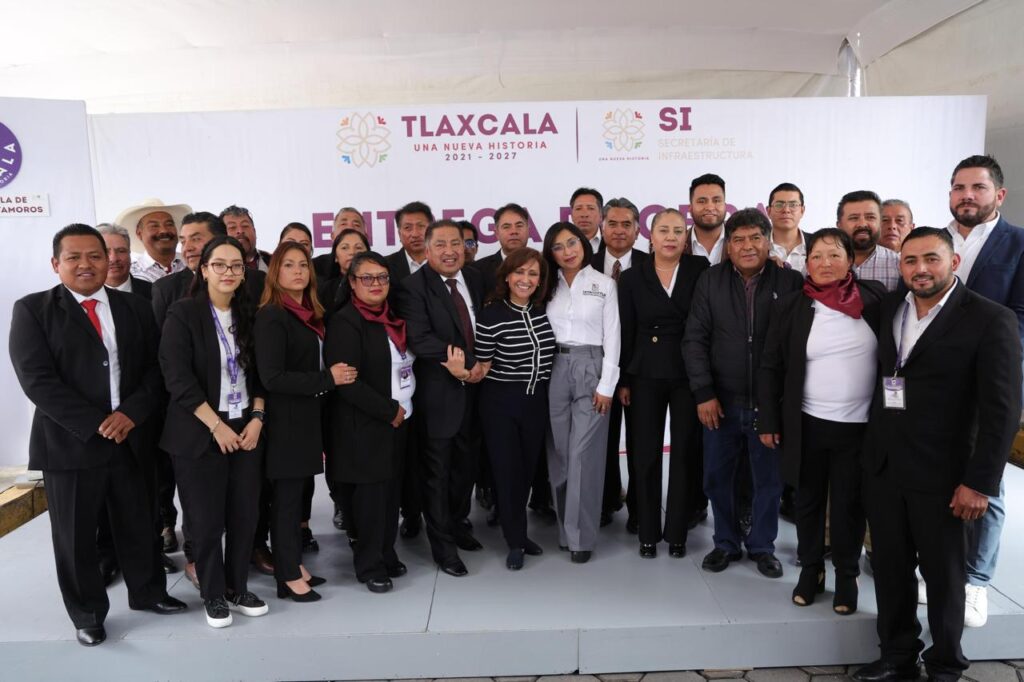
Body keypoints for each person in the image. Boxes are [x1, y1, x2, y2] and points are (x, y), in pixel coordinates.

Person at [852, 228, 1021, 682]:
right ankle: (897, 655)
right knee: (890, 570)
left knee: (945, 578)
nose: (920, 269)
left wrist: (980, 483)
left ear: (954, 262)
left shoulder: (990, 319)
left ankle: (946, 664)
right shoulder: (890, 306)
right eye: (910, 260)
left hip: (946, 476)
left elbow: (1002, 411)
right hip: (885, 466)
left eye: (931, 258)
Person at [10, 224, 187, 647]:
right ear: (56, 264)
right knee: (76, 537)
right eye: (73, 257)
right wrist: (97, 423)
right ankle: (87, 613)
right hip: (70, 445)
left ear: (109, 260)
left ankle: (149, 593)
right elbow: (37, 380)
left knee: (140, 522)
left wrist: (131, 414)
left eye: (95, 255)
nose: (85, 264)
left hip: (132, 438)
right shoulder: (33, 310)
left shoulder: (136, 307)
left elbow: (156, 370)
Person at [757, 228, 886, 613]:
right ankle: (811, 568)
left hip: (860, 427)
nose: (825, 263)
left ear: (850, 260)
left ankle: (847, 574)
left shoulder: (875, 299)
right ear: (806, 262)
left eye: (834, 255)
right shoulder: (793, 306)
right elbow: (770, 366)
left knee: (849, 505)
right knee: (808, 502)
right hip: (807, 424)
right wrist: (768, 420)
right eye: (816, 256)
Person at [684, 208, 803, 577]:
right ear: (729, 246)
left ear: (768, 243)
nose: (747, 246)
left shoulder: (790, 281)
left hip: (769, 405)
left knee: (768, 481)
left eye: (755, 238)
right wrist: (704, 392)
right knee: (717, 478)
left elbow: (797, 344)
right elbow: (695, 339)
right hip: (721, 401)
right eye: (738, 240)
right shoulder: (710, 280)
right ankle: (725, 542)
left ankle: (762, 547)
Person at [158, 235, 269, 628]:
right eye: (219, 264)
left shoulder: (251, 312)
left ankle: (237, 588)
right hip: (200, 429)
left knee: (244, 515)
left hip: (246, 426)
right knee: (205, 522)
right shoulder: (183, 313)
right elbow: (177, 378)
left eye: (236, 265)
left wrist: (257, 418)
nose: (228, 272)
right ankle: (213, 592)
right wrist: (217, 426)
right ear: (203, 269)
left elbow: (263, 373)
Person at [944, 154, 1024, 628]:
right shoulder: (937, 240)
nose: (967, 196)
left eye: (977, 187)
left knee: (986, 479)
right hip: (938, 382)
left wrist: (980, 352)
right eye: (959, 187)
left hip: (990, 379)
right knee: (941, 475)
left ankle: (976, 580)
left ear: (999, 194)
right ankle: (945, 567)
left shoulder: (1018, 244)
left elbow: (1020, 317)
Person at [255, 242, 353, 601]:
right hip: (286, 422)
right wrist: (328, 378)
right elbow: (272, 377)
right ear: (275, 273)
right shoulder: (273, 315)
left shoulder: (308, 312)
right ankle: (286, 576)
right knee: (286, 501)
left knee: (296, 500)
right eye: (288, 265)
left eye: (303, 264)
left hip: (307, 419)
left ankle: (293, 564)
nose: (298, 271)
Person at [395, 219, 486, 576]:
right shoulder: (412, 288)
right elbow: (420, 339)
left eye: (456, 244)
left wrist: (483, 363)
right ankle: (443, 547)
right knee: (437, 473)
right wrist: (467, 363)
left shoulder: (476, 278)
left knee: (466, 467)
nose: (450, 251)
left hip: (478, 391)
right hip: (439, 395)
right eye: (441, 245)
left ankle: (458, 524)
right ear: (427, 249)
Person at [618, 209, 708, 558]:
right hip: (644, 373)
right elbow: (626, 330)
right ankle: (647, 530)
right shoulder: (631, 277)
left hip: (688, 372)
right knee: (645, 454)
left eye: (678, 231)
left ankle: (678, 532)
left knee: (685, 453)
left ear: (686, 238)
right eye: (664, 230)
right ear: (650, 236)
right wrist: (624, 379)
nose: (671, 237)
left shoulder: (700, 269)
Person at [326, 252, 416, 591]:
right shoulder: (346, 322)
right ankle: (369, 566)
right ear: (352, 282)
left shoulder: (391, 316)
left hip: (398, 419)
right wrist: (388, 411)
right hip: (365, 424)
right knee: (370, 500)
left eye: (382, 277)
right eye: (367, 278)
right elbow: (348, 382)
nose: (376, 284)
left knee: (390, 494)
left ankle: (386, 553)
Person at [542, 222, 620, 563]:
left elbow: (613, 336)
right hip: (554, 367)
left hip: (591, 366)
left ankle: (582, 538)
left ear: (584, 244)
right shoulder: (547, 284)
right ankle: (565, 531)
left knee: (583, 455)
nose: (567, 251)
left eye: (572, 243)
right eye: (558, 247)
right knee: (559, 454)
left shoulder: (604, 284)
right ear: (551, 253)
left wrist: (607, 384)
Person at [475, 247, 556, 570]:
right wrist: (461, 371)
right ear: (507, 276)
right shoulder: (491, 314)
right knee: (508, 473)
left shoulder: (541, 311)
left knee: (526, 471)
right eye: (519, 272)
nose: (526, 279)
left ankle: (519, 533)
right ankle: (515, 541)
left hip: (536, 402)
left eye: (533, 274)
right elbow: (483, 366)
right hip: (500, 404)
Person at [593, 198, 648, 530]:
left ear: (638, 231)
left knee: (641, 444)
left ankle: (639, 510)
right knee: (602, 441)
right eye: (612, 223)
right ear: (601, 227)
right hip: (597, 370)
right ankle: (605, 500)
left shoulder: (652, 264)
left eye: (626, 224)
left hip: (641, 370)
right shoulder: (584, 262)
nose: (618, 230)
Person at [837, 191, 901, 291]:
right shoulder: (824, 263)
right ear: (839, 225)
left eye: (870, 217)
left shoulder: (898, 264)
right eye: (854, 218)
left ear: (880, 223)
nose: (862, 224)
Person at [115, 199, 191, 283]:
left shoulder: (193, 263)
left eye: (169, 224)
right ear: (139, 233)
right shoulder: (130, 274)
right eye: (154, 226)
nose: (164, 230)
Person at [473, 203, 531, 297]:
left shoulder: (544, 266)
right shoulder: (477, 271)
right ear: (497, 233)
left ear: (528, 230)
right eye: (506, 227)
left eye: (519, 226)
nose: (514, 231)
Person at [319, 228, 370, 320]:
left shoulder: (378, 284)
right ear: (335, 257)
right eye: (345, 248)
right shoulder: (325, 290)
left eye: (358, 247)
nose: (352, 252)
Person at [98, 223, 152, 298]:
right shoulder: (84, 296)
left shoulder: (154, 293)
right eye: (106, 252)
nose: (114, 259)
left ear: (129, 253)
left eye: (121, 251)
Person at [685, 174, 728, 264]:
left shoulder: (740, 240)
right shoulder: (678, 243)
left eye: (716, 201)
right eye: (702, 201)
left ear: (725, 206)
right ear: (690, 208)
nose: (710, 207)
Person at [314, 206, 367, 280]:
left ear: (365, 237)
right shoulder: (315, 267)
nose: (350, 228)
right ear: (333, 236)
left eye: (356, 225)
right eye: (343, 224)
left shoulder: (379, 266)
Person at [386, 201, 433, 283]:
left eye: (421, 226)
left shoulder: (444, 261)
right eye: (407, 228)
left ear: (432, 230)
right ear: (399, 234)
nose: (415, 234)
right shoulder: (385, 265)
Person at [767, 182, 809, 274]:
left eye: (793, 205)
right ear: (768, 211)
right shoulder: (758, 247)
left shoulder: (816, 244)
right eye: (779, 205)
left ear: (802, 211)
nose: (786, 210)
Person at [221, 205, 270, 272]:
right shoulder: (213, 266)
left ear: (254, 232)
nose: (240, 231)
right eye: (232, 227)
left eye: (245, 226)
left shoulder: (274, 262)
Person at [570, 187, 604, 252]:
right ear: (571, 215)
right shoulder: (562, 243)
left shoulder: (611, 241)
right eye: (578, 209)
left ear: (600, 214)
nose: (584, 215)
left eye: (591, 208)